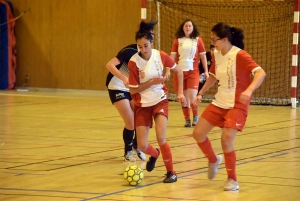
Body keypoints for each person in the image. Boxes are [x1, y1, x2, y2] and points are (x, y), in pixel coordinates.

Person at [192, 22, 266, 191]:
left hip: (237, 104)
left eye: (214, 39)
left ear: (225, 39)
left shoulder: (240, 55)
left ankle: (232, 179)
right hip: (220, 101)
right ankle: (213, 159)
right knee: (198, 134)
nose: (212, 43)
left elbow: (261, 73)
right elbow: (212, 76)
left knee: (226, 139)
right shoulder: (216, 54)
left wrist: (249, 90)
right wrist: (200, 94)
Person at [128, 21, 186, 183]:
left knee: (161, 138)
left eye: (146, 46)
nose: (143, 50)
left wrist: (180, 93)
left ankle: (171, 172)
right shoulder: (134, 62)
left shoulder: (160, 55)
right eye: (140, 47)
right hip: (142, 105)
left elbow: (179, 71)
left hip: (160, 101)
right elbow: (133, 90)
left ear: (151, 42)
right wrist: (151, 82)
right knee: (142, 145)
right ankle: (154, 154)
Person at [105, 21, 158, 162]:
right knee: (130, 121)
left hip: (131, 88)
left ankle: (136, 144)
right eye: (150, 33)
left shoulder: (150, 55)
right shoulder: (130, 51)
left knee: (139, 117)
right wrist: (123, 78)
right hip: (116, 86)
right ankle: (128, 152)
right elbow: (109, 65)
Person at [170, 19, 209, 128]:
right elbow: (172, 57)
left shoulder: (198, 40)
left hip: (193, 72)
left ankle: (196, 117)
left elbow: (203, 57)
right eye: (186, 26)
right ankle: (187, 119)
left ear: (193, 28)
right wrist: (168, 70)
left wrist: (206, 71)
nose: (188, 28)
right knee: (184, 98)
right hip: (180, 73)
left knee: (192, 96)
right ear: (183, 28)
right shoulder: (177, 40)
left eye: (190, 26)